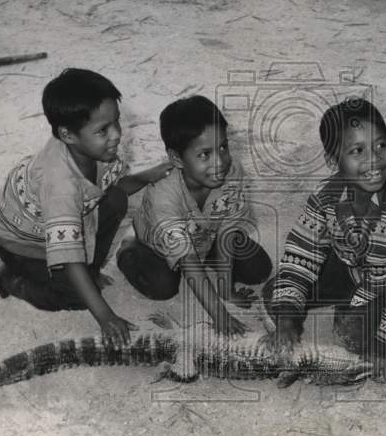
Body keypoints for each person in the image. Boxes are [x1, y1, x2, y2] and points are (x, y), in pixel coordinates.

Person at [0, 68, 172, 344]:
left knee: (115, 200)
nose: (115, 135)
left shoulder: (94, 149)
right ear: (68, 135)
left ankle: (86, 275)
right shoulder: (60, 184)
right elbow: (67, 257)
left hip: (64, 225)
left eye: (116, 122)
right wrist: (105, 317)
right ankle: (8, 278)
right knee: (78, 298)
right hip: (24, 247)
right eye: (103, 130)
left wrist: (149, 175)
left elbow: (112, 188)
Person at [265, 98, 386, 381]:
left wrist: (385, 347)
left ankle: (357, 312)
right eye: (358, 151)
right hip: (349, 269)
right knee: (277, 296)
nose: (374, 160)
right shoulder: (325, 195)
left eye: (381, 145)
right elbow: (301, 256)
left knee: (355, 338)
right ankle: (345, 304)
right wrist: (287, 322)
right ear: (334, 161)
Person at [117, 95, 273, 335]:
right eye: (204, 154)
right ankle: (129, 248)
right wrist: (220, 315)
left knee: (258, 269)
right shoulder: (164, 194)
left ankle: (204, 255)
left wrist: (225, 288)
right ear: (177, 158)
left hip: (203, 235)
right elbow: (188, 262)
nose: (220, 161)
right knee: (163, 287)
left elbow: (227, 232)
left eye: (223, 147)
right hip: (154, 245)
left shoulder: (232, 173)